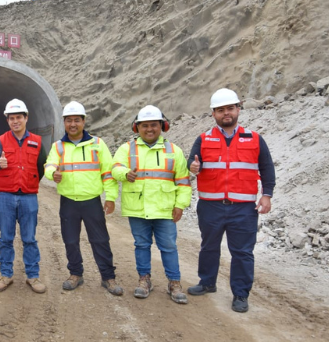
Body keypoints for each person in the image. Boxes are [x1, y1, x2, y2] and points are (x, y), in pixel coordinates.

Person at [187, 88, 276, 313]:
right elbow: (192, 163)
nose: (226, 113)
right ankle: (207, 282)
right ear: (213, 114)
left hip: (244, 208)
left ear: (238, 109)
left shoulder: (254, 139)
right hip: (210, 205)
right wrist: (193, 167)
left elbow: (266, 168)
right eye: (220, 110)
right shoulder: (203, 139)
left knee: (242, 252)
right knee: (209, 247)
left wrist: (267, 195)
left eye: (229, 108)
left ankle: (240, 294)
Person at [112, 105, 191, 304]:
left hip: (165, 209)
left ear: (162, 126)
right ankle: (144, 280)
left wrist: (180, 205)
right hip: (138, 208)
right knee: (141, 245)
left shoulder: (174, 151)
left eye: (153, 125)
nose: (149, 129)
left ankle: (174, 283)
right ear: (136, 128)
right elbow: (115, 168)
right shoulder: (126, 149)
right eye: (144, 125)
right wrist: (124, 174)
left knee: (169, 247)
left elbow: (183, 181)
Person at [44, 101, 123, 295]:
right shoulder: (58, 146)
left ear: (84, 121)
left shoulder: (97, 144)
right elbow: (49, 164)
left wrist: (111, 198)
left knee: (100, 240)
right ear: (64, 122)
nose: (73, 124)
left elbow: (108, 172)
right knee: (70, 240)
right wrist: (52, 173)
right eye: (69, 120)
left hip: (91, 201)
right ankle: (75, 274)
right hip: (69, 201)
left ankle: (108, 277)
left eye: (76, 120)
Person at [0, 99, 47, 294]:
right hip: (5, 196)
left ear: (26, 118)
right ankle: (6, 275)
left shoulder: (37, 141)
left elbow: (42, 167)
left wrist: (30, 183)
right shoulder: (1, 140)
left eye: (18, 117)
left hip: (28, 197)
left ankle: (33, 276)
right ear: (7, 120)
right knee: (6, 238)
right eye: (11, 118)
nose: (15, 121)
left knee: (29, 238)